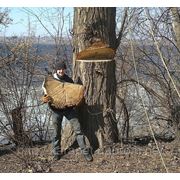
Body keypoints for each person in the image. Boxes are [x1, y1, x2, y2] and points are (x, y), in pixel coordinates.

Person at [41, 61, 93, 162]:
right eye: (59, 69)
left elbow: (72, 93)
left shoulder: (68, 80)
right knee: (56, 133)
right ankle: (56, 153)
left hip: (69, 110)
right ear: (56, 70)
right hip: (56, 110)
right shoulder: (50, 80)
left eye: (62, 69)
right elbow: (44, 93)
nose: (61, 71)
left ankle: (86, 153)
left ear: (64, 69)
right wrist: (44, 98)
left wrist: (77, 100)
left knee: (78, 131)